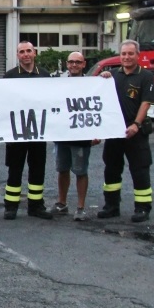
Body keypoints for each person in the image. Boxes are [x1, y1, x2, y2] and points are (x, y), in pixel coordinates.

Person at [98, 40, 154, 222]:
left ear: (137, 55)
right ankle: (111, 206)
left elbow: (146, 103)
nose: (126, 57)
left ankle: (142, 208)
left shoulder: (145, 76)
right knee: (112, 169)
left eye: (130, 54)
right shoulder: (112, 75)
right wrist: (104, 77)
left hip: (135, 131)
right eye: (123, 54)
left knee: (139, 170)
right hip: (115, 131)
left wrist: (136, 125)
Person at [2, 41, 53, 220]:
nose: (25, 54)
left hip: (38, 132)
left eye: (28, 51)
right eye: (21, 52)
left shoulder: (46, 76)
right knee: (15, 170)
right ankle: (10, 207)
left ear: (35, 53)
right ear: (17, 55)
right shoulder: (9, 76)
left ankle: (36, 206)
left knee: (37, 169)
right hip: (16, 132)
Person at [52, 52, 97, 221]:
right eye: (71, 62)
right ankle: (62, 203)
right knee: (62, 170)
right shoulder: (58, 83)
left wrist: (96, 133)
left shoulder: (93, 84)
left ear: (84, 64)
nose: (74, 65)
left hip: (82, 135)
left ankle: (80, 207)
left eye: (78, 62)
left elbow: (96, 108)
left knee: (81, 171)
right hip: (62, 135)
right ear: (66, 64)